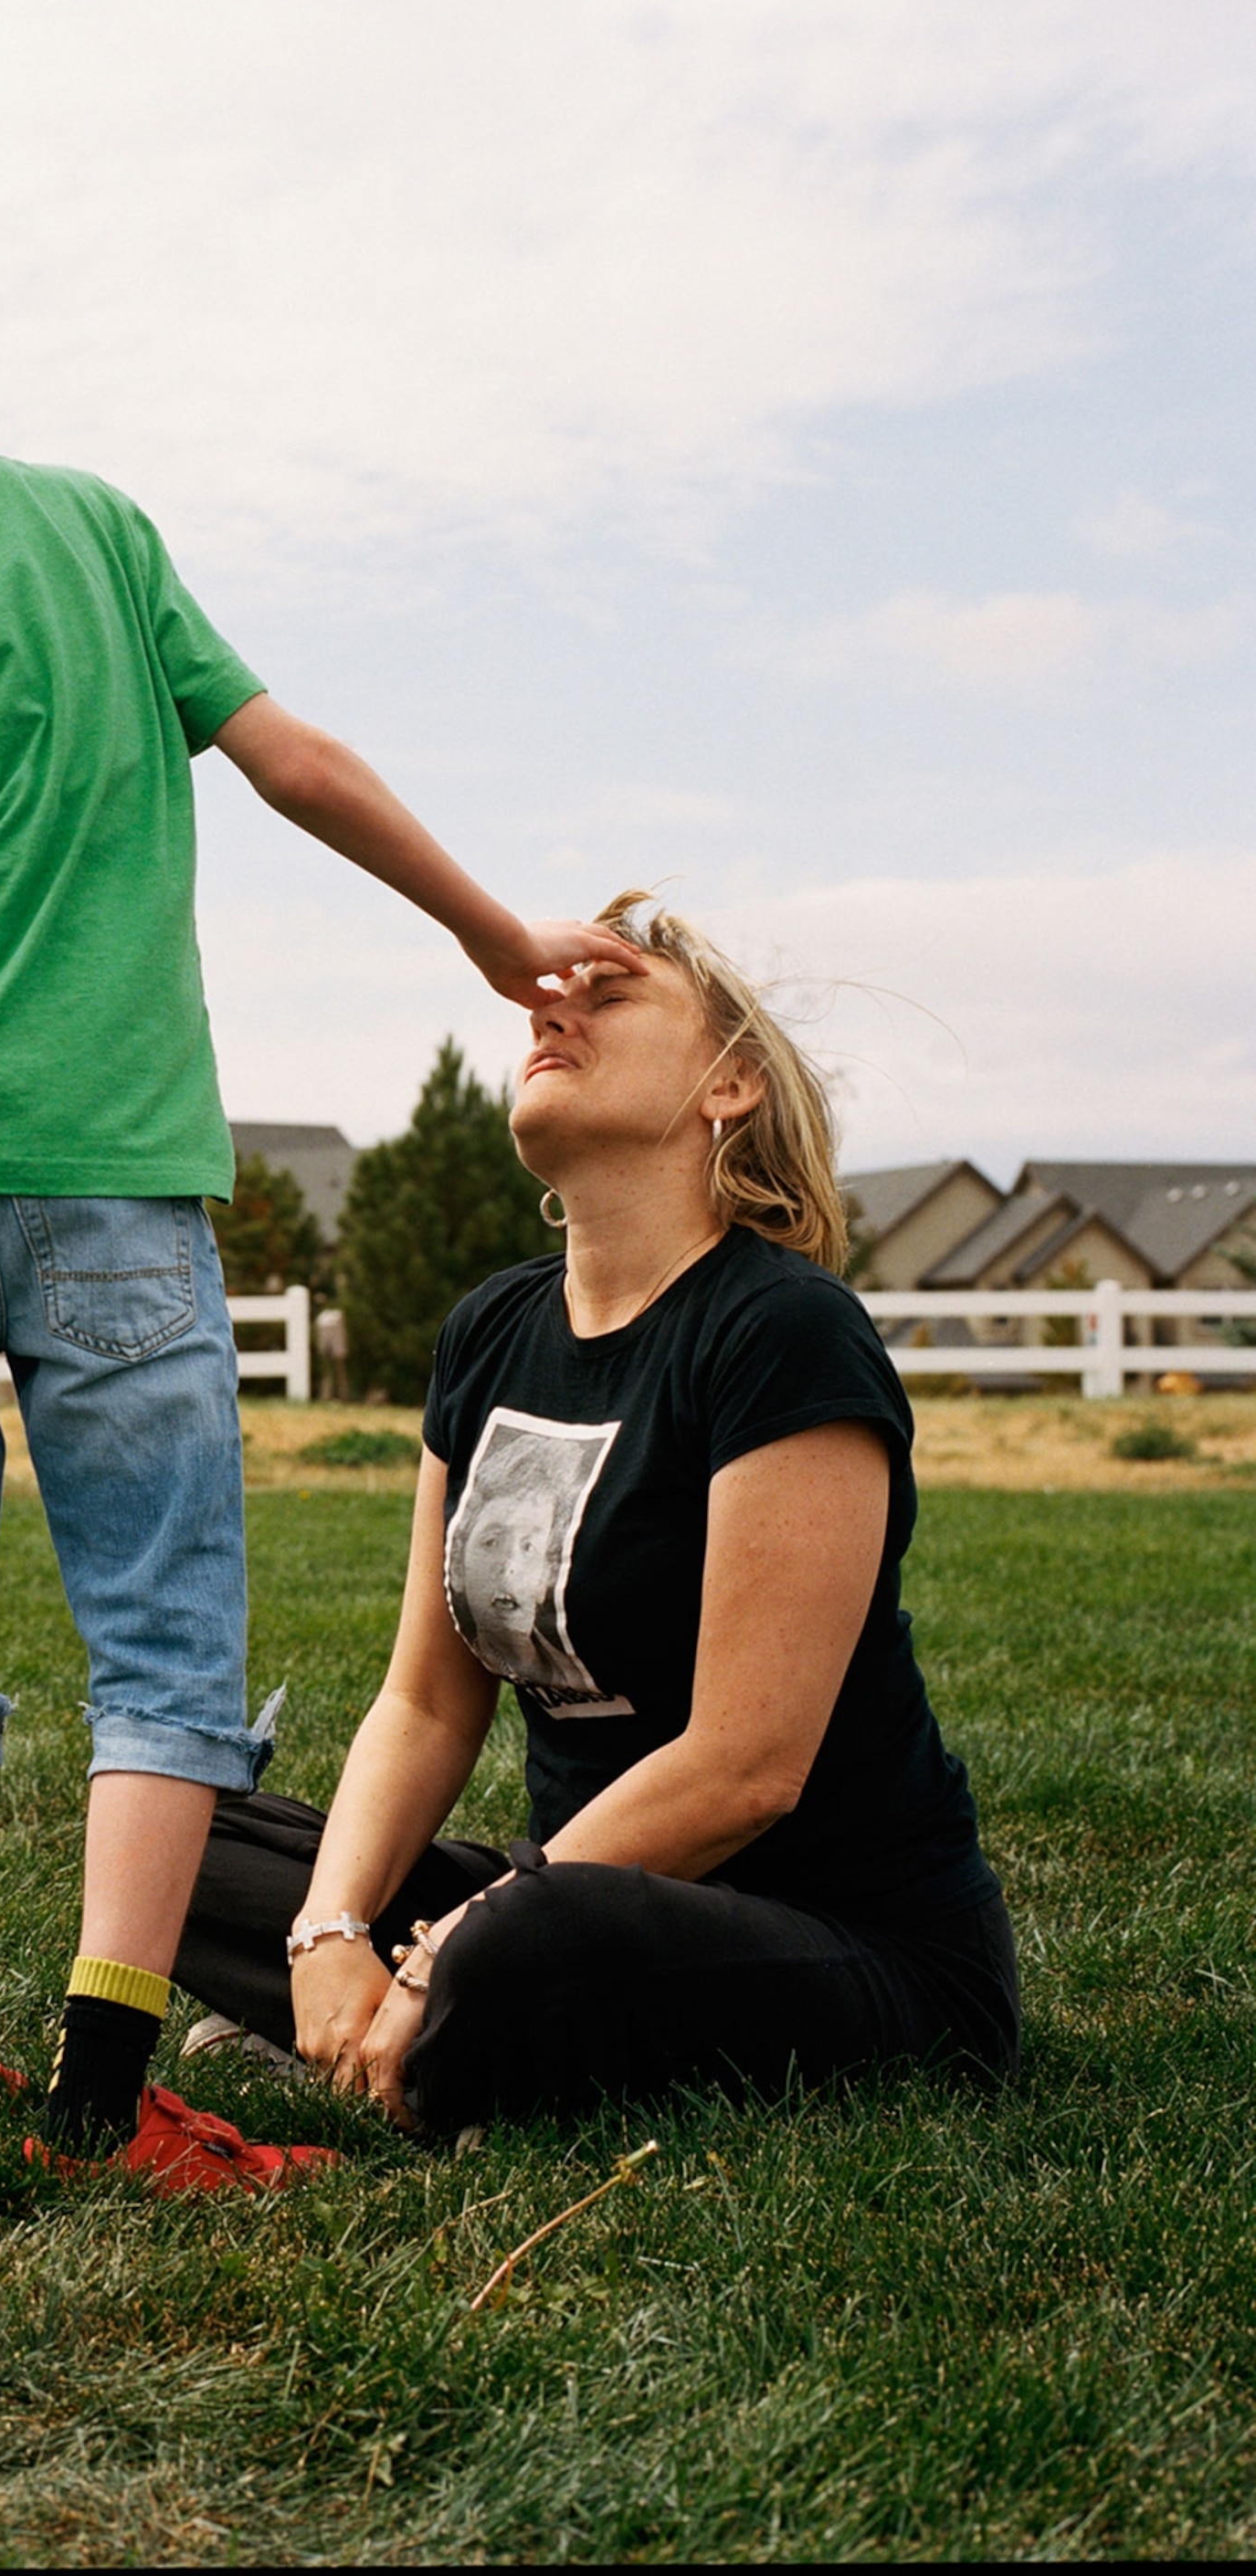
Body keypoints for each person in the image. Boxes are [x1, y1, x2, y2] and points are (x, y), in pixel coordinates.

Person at [0, 159, 638, 2192]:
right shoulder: (84, 529)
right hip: (108, 1189)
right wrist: (482, 932)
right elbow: (291, 763)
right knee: (158, 1633)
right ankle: (97, 2095)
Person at [174, 894, 1021, 2134]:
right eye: (544, 998)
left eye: (607, 995)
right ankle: (408, 2031)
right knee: (164, 1827)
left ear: (725, 1086)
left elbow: (743, 1772)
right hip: (559, 1902)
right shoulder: (489, 1332)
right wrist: (327, 1929)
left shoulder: (779, 1333)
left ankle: (429, 2026)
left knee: (533, 1940)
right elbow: (420, 1701)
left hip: (840, 1944)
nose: (547, 1006)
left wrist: (436, 1947)